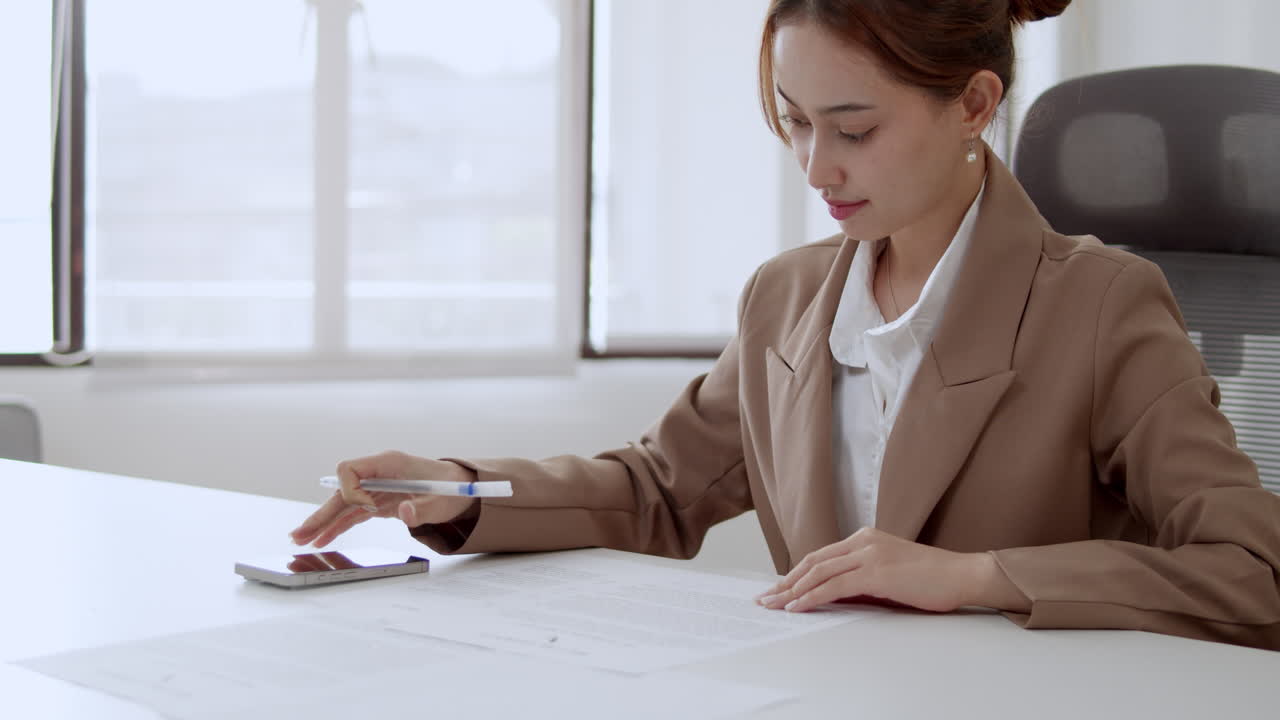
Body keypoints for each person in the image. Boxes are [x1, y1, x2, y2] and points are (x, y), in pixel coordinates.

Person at [290, 0, 1280, 650]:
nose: (814, 169)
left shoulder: (1100, 302)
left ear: (973, 104)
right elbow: (655, 489)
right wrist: (454, 489)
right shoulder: (786, 298)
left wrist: (975, 577)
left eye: (852, 129)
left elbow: (1250, 574)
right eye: (793, 122)